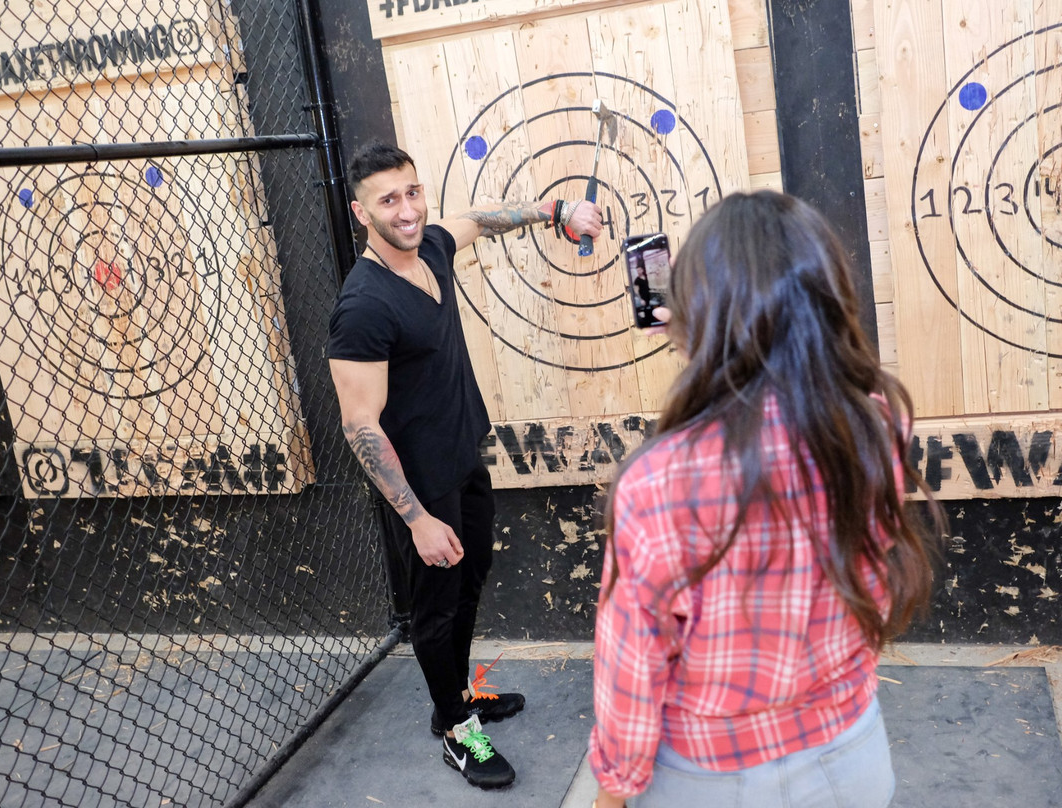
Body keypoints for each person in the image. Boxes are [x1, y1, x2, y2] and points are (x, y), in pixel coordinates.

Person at [588, 190, 941, 807]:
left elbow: (633, 664)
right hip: (848, 756)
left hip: (708, 777)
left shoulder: (657, 481)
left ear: (700, 315)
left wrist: (614, 791)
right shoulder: (878, 424)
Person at [327, 141, 603, 789]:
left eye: (412, 192)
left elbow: (478, 218)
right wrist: (416, 518)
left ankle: (453, 699)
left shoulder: (429, 247)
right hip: (419, 487)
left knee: (470, 580)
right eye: (388, 200)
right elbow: (359, 424)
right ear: (360, 212)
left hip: (463, 458)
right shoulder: (363, 306)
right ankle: (455, 730)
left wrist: (555, 209)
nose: (407, 210)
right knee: (435, 608)